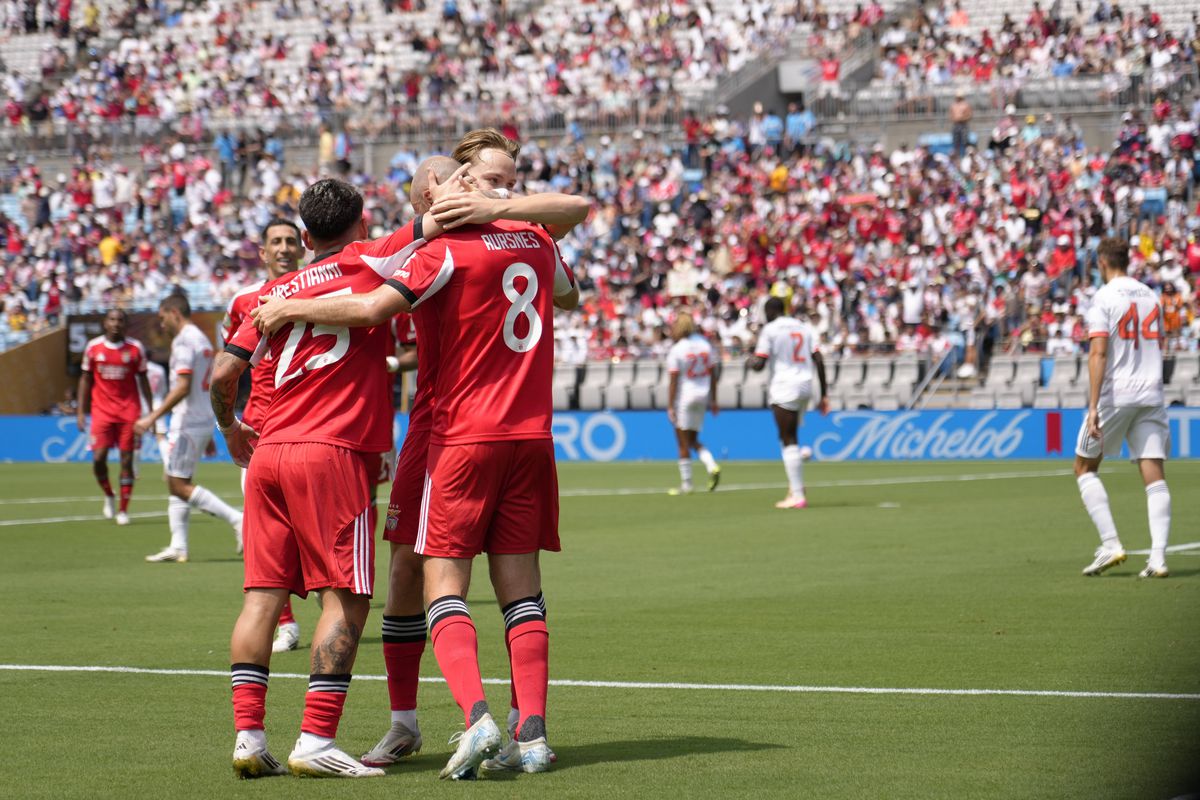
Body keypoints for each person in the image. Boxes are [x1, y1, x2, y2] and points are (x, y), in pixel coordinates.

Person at [251, 153, 587, 779]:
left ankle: (478, 719)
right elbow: (571, 270)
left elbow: (372, 307)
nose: (419, 198)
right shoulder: (535, 239)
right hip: (514, 430)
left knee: (437, 578)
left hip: (453, 434)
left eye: (427, 186)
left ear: (453, 188)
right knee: (427, 572)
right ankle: (440, 726)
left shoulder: (440, 248)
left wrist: (285, 306)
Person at [212, 177, 457, 780]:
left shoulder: (273, 290)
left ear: (303, 234)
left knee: (262, 597)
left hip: (267, 452)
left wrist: (232, 430)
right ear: (361, 221)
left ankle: (248, 738)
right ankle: (317, 738)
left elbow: (221, 374)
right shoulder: (368, 257)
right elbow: (438, 223)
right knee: (346, 597)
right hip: (331, 452)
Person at [220, 218, 306, 653]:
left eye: (292, 240)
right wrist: (231, 422)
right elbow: (229, 363)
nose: (285, 248)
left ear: (304, 246)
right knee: (264, 538)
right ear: (263, 251)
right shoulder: (243, 302)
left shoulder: (321, 290)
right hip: (258, 431)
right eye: (276, 241)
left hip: (310, 429)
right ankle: (284, 623)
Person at [1075, 237, 1172, 578]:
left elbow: (1099, 352)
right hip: (1151, 392)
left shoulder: (1103, 297)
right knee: (1153, 474)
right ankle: (1158, 559)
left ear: (1102, 262)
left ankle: (1111, 543)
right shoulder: (1151, 296)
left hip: (1118, 394)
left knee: (1084, 467)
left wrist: (1093, 405)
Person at [136, 294, 244, 563]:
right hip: (201, 419)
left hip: (187, 421)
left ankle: (238, 520)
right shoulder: (201, 338)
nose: (161, 324)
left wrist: (152, 417)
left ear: (174, 312)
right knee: (175, 479)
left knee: (177, 483)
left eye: (162, 318)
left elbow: (183, 386)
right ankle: (178, 545)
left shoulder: (185, 340)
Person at [748, 297, 829, 509]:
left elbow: (759, 364)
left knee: (787, 439)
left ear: (769, 312)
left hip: (784, 386)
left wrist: (750, 361)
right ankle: (799, 470)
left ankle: (797, 495)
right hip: (806, 385)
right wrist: (824, 394)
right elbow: (819, 359)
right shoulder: (803, 327)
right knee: (791, 436)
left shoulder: (771, 330)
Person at [77, 308, 153, 525]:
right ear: (105, 323)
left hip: (129, 411)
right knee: (98, 458)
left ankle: (123, 510)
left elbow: (144, 382)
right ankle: (109, 494)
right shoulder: (93, 348)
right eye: (112, 319)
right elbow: (85, 380)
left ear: (125, 324)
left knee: (126, 460)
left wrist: (151, 411)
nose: (116, 323)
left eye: (120, 320)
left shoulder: (135, 349)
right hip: (101, 412)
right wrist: (81, 412)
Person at [665, 315, 720, 495]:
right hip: (702, 396)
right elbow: (713, 374)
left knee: (682, 442)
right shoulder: (705, 344)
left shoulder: (677, 349)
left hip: (685, 397)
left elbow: (673, 380)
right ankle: (711, 465)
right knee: (693, 439)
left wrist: (670, 405)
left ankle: (687, 484)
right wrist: (714, 399)